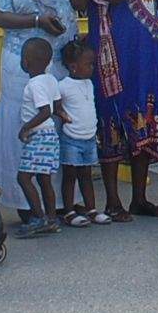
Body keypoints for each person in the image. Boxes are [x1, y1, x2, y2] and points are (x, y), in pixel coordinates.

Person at [0, 0, 83, 218]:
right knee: (28, 126)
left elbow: (82, 2)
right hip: (23, 67)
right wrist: (37, 20)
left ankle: (62, 202)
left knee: (58, 127)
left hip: (60, 63)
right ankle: (27, 204)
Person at [86, 0, 158, 220]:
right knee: (113, 119)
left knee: (143, 114)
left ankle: (139, 198)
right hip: (115, 55)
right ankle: (112, 201)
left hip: (143, 53)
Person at [14, 37, 64, 234]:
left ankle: (38, 217)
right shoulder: (51, 79)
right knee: (44, 179)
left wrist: (25, 128)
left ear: (26, 62)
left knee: (23, 178)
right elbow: (57, 106)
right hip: (51, 136)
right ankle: (51, 218)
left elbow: (45, 111)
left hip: (39, 136)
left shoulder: (34, 84)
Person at [54, 40, 101, 225]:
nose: (92, 68)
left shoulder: (88, 83)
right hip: (71, 137)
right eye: (89, 64)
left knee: (86, 174)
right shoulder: (63, 85)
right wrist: (62, 114)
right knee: (70, 175)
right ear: (73, 66)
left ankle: (91, 209)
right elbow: (55, 104)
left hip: (89, 137)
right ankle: (69, 211)